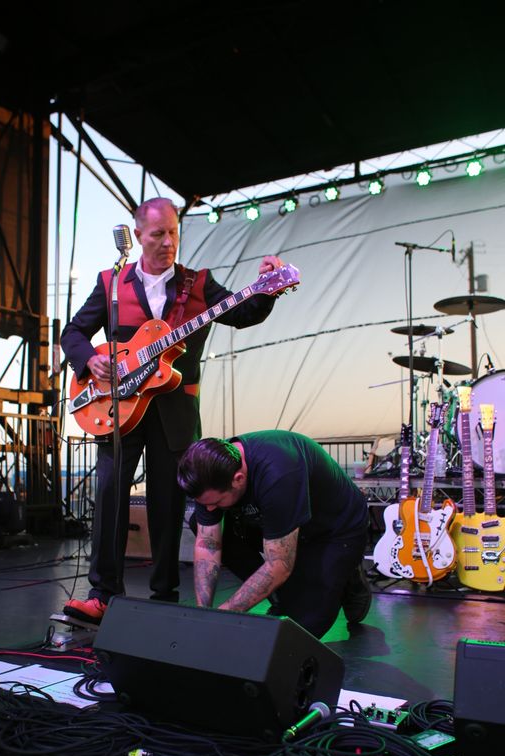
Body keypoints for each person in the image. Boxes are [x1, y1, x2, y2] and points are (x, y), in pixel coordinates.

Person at [60, 197, 286, 624]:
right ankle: (102, 594)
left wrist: (266, 290)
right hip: (117, 408)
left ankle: (164, 597)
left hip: (175, 413)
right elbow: (73, 332)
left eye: (173, 233)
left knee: (167, 505)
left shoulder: (198, 284)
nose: (167, 242)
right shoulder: (111, 282)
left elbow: (242, 313)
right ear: (138, 235)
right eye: (157, 234)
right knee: (109, 499)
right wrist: (90, 359)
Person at [176, 431, 372, 638]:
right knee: (201, 523)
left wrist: (225, 614)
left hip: (334, 530)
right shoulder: (208, 471)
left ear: (238, 479)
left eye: (216, 502)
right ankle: (280, 595)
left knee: (300, 631)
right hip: (275, 522)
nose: (209, 509)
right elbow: (208, 544)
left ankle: (349, 575)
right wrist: (203, 612)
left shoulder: (279, 474)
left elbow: (279, 565)